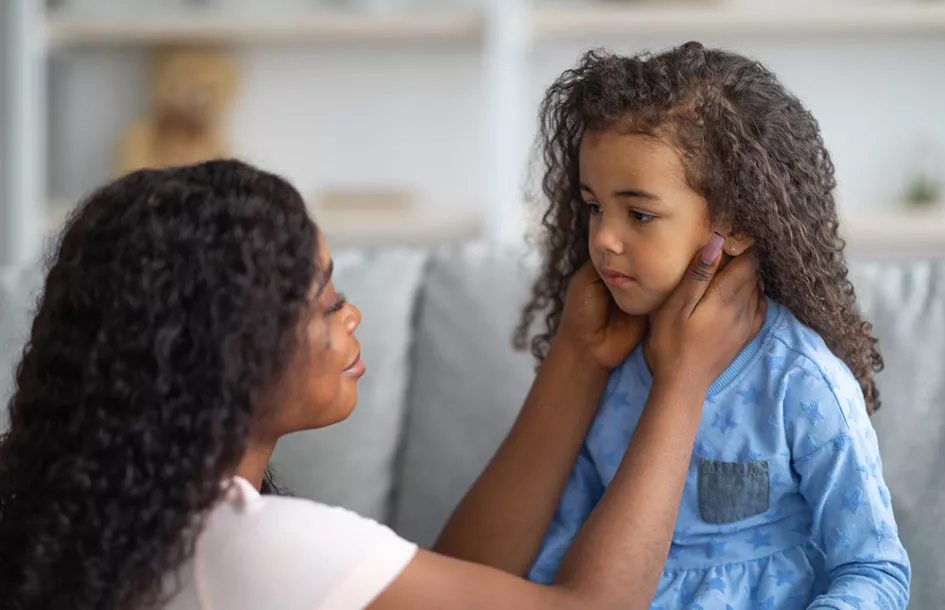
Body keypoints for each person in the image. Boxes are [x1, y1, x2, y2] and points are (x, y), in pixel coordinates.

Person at [0, 159, 761, 610]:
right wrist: (682, 381)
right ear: (229, 350)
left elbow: (454, 585)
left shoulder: (114, 522)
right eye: (325, 299)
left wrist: (576, 357)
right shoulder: (255, 545)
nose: (351, 313)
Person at [515, 42, 911, 609]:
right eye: (594, 207)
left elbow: (874, 569)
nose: (603, 238)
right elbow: (560, 546)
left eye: (640, 214)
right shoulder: (607, 368)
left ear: (736, 223)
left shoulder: (801, 384)